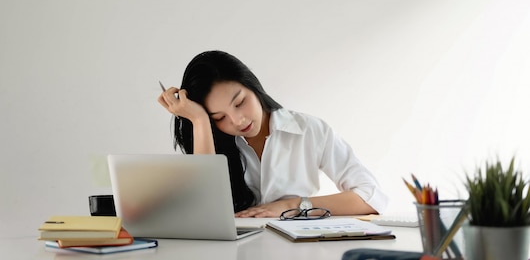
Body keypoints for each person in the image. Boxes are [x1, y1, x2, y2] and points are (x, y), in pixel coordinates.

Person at [157, 50, 388, 217]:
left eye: (239, 103)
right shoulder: (211, 140)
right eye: (219, 117)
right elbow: (204, 213)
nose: (238, 120)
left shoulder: (309, 130)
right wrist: (199, 121)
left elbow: (372, 196)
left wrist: (295, 205)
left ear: (253, 87)